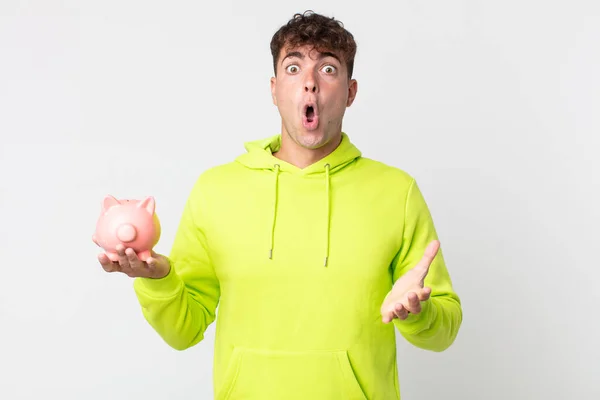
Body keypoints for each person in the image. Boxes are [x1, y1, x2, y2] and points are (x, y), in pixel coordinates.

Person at [98, 10, 462, 400]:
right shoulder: (216, 190)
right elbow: (183, 331)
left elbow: (444, 332)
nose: (309, 84)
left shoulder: (396, 191)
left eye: (327, 69)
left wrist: (419, 312)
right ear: (274, 89)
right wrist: (158, 282)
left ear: (350, 92)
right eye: (293, 68)